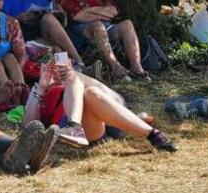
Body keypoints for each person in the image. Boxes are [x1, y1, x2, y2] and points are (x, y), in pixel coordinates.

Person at [24, 52, 176, 152]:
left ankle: (74, 127)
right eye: (50, 68)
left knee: (91, 91)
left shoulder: (76, 79)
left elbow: (113, 97)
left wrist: (71, 75)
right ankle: (152, 134)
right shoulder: (44, 93)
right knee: (88, 91)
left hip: (108, 111)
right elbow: (29, 127)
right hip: (91, 129)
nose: (55, 72)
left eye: (57, 67)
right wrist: (42, 87)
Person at [57, 0, 147, 80]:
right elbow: (78, 16)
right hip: (81, 31)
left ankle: (136, 66)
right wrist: (102, 12)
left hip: (107, 28)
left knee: (127, 24)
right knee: (98, 25)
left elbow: (114, 11)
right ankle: (115, 66)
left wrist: (90, 11)